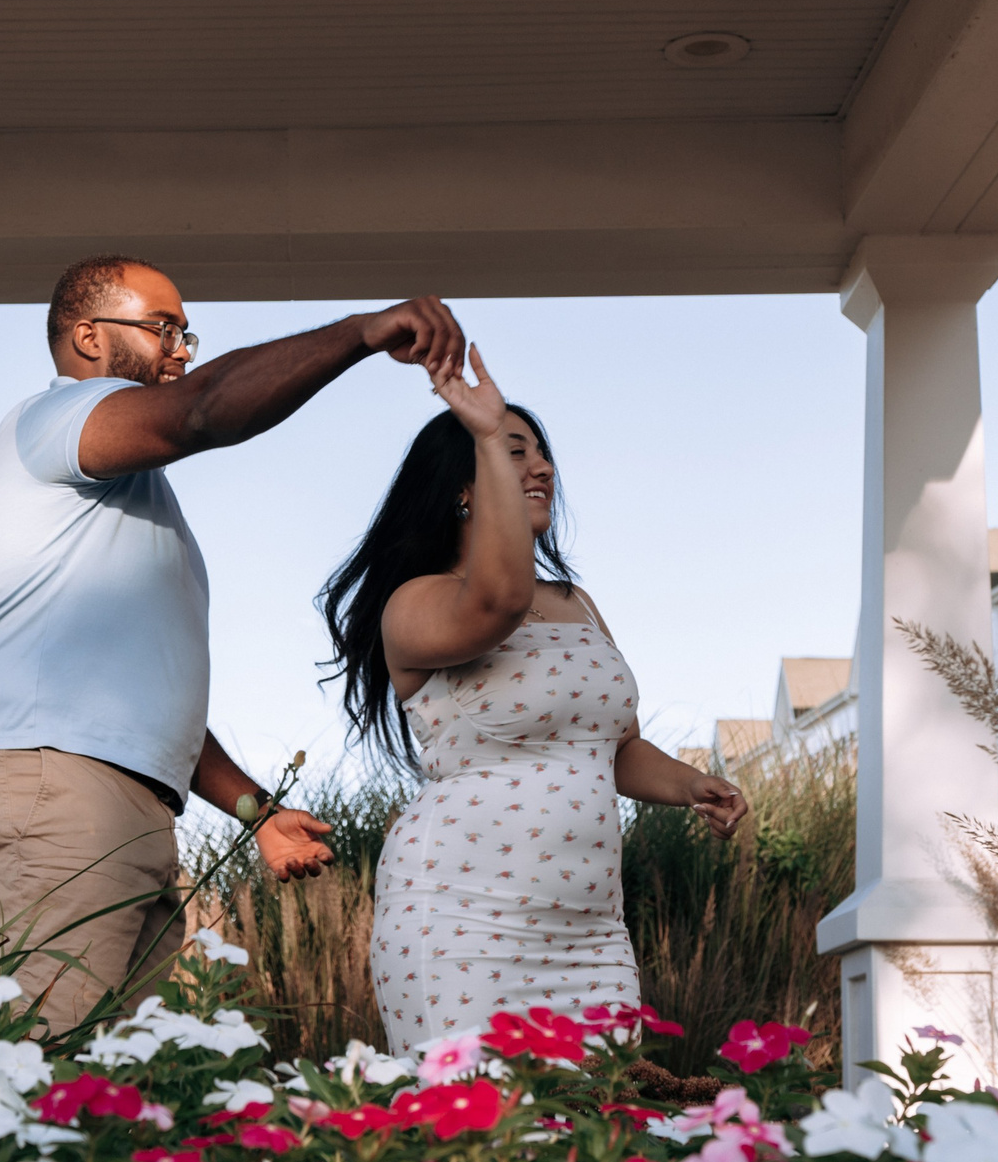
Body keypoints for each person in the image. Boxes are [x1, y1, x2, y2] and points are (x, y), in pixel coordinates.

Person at [0, 253, 470, 1032]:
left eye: (188, 334)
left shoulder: (122, 504)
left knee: (111, 1090)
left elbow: (146, 701)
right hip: (59, 788)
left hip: (119, 794)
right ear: (88, 336)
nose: (182, 350)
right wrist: (360, 334)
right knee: (40, 1072)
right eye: (164, 328)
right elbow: (202, 409)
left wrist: (253, 810)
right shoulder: (54, 420)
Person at [320, 347, 749, 1049]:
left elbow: (617, 746)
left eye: (542, 453)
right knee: (475, 1137)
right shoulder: (416, 603)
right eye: (516, 450)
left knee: (595, 1141)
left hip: (590, 931)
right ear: (464, 485)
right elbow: (497, 598)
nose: (544, 466)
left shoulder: (576, 602)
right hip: (463, 916)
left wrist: (692, 784)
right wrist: (488, 431)